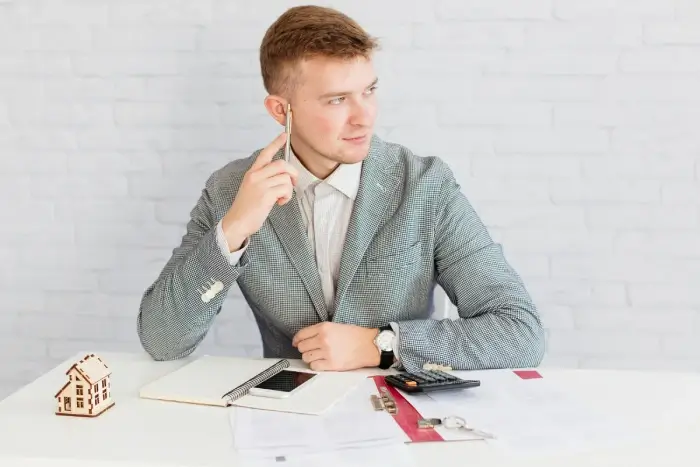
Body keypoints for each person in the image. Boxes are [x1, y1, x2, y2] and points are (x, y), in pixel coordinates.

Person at [137, 5, 546, 374]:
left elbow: (520, 332)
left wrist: (382, 344)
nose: (363, 118)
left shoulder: (425, 185)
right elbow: (162, 340)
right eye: (337, 100)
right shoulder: (231, 191)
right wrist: (234, 230)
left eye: (369, 91)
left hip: (403, 419)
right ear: (281, 110)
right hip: (288, 425)